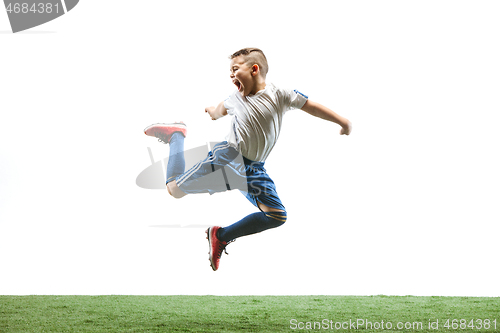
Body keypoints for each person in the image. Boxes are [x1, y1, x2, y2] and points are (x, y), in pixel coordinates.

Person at [144, 48, 352, 271]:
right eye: (229, 71)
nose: (231, 75)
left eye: (235, 69)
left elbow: (312, 107)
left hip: (253, 170)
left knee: (277, 215)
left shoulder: (280, 94)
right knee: (174, 190)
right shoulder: (234, 99)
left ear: (254, 69)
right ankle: (176, 135)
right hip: (227, 159)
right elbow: (218, 112)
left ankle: (220, 235)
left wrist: (343, 122)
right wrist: (212, 111)